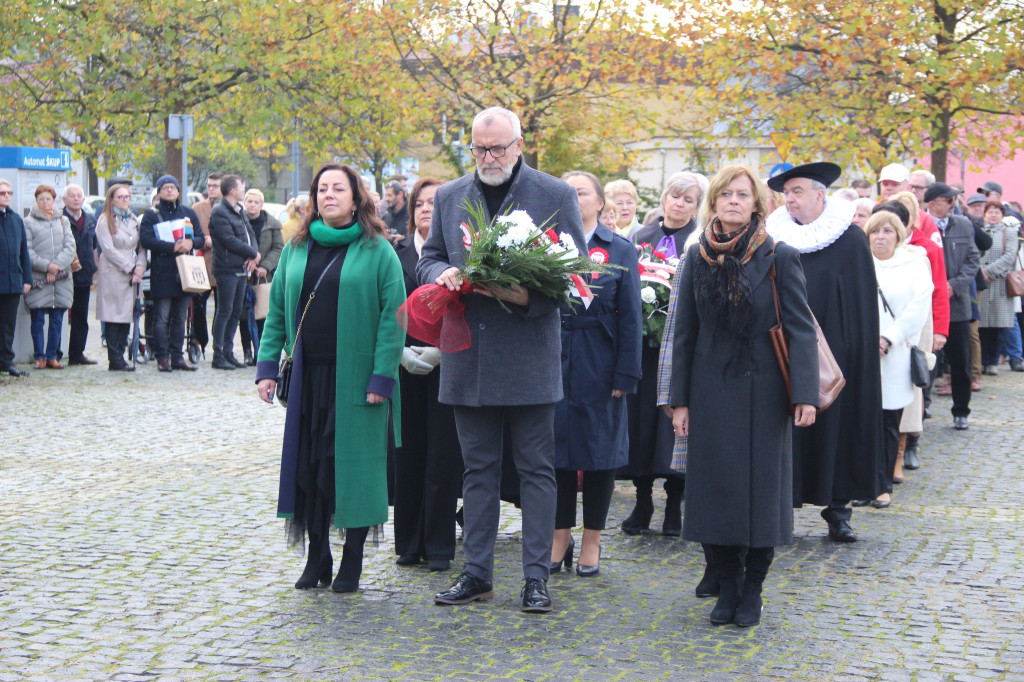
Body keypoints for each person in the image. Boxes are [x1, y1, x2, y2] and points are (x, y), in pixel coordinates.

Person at [418, 106, 587, 613]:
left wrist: (525, 296)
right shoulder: (450, 196)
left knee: (536, 470)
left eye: (497, 148)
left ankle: (536, 577)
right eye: (479, 148)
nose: (488, 157)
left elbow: (574, 274)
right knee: (477, 472)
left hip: (529, 355)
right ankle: (477, 574)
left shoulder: (554, 194)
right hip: (468, 355)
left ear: (519, 146)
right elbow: (428, 256)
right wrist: (442, 273)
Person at [670, 164, 819, 628]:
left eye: (742, 194)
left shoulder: (779, 255)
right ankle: (728, 584)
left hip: (765, 394)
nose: (733, 201)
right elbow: (684, 334)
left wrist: (805, 395)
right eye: (725, 194)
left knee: (761, 498)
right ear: (713, 202)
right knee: (714, 494)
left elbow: (800, 330)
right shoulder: (697, 256)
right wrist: (678, 401)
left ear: (757, 204)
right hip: (709, 393)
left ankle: (753, 588)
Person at [255, 163, 405, 594]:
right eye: (322, 189)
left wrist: (382, 377)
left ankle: (352, 559)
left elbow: (394, 318)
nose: (329, 195)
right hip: (308, 379)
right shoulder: (296, 248)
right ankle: (317, 556)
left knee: (354, 470)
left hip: (357, 381)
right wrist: (267, 368)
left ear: (356, 199)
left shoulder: (378, 251)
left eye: (338, 188)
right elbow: (277, 312)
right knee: (310, 468)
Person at [766, 162, 884, 544]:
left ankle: (838, 510)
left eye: (798, 191)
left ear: (820, 194)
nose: (790, 199)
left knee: (837, 428)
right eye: (787, 193)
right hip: (784, 348)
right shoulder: (773, 238)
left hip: (838, 350)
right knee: (786, 428)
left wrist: (855, 353)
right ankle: (781, 509)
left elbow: (862, 307)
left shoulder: (850, 239)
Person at [550, 171, 642, 577]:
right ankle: (559, 536)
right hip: (554, 359)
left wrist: (626, 374)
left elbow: (631, 317)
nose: (573, 198)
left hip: (600, 362)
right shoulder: (545, 246)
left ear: (601, 202)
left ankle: (592, 539)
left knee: (599, 454)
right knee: (556, 454)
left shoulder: (619, 249)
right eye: (566, 192)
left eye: (581, 192)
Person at [621, 171, 707, 537]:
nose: (680, 204)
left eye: (689, 200)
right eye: (675, 196)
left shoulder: (700, 241)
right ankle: (643, 500)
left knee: (673, 425)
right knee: (641, 424)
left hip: (679, 348)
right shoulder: (640, 237)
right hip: (643, 348)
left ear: (697, 207)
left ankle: (675, 503)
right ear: (663, 199)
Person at [392, 176, 463, 571]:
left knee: (443, 455)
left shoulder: (458, 254)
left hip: (447, 365)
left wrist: (442, 351)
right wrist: (398, 351)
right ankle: (408, 542)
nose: (425, 209)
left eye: (433, 203)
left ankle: (438, 545)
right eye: (419, 203)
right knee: (408, 453)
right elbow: (384, 307)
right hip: (404, 364)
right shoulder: (395, 253)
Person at [856, 211, 932, 508]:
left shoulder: (914, 264)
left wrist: (888, 337)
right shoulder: (860, 264)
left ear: (898, 235)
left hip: (895, 353)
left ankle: (883, 484)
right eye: (875, 231)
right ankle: (863, 483)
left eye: (887, 231)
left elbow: (917, 308)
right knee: (863, 423)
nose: (880, 237)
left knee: (889, 424)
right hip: (862, 354)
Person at [884, 192, 949, 471]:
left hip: (917, 327)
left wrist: (940, 330)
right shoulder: (873, 249)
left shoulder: (925, 249)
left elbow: (938, 291)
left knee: (914, 386)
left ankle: (907, 446)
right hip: (883, 330)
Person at [926, 182, 980, 430]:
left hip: (957, 305)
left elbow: (973, 259)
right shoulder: (922, 225)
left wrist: (954, 285)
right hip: (929, 305)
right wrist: (935, 287)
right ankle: (923, 407)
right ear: (933, 203)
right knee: (927, 361)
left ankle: (961, 411)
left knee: (961, 362)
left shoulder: (964, 224)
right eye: (949, 200)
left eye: (954, 200)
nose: (953, 204)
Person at [139, 174, 204, 372]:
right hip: (162, 271)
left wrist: (191, 243)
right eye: (165, 188)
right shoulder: (151, 214)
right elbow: (146, 240)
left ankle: (177, 356)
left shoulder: (188, 213)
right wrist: (172, 247)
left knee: (180, 317)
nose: (169, 190)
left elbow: (201, 237)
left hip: (184, 272)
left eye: (172, 187)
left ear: (178, 191)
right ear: (159, 192)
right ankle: (162, 357)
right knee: (161, 317)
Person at [209, 175, 258, 370]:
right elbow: (228, 240)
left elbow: (250, 234)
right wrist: (252, 252)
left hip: (241, 269)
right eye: (241, 187)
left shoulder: (239, 210)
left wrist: (254, 255)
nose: (243, 190)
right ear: (232, 191)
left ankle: (229, 352)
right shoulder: (219, 212)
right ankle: (218, 353)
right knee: (225, 310)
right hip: (226, 268)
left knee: (236, 311)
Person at [24, 185, 76, 369]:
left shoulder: (63, 220)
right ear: (36, 201)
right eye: (41, 199)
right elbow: (27, 251)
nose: (45, 202)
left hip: (61, 279)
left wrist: (57, 266)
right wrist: (47, 266)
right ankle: (39, 357)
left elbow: (70, 246)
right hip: (39, 279)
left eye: (48, 198)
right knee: (37, 320)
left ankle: (52, 356)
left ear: (54, 200)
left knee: (57, 321)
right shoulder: (28, 222)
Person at [95, 184, 146, 371]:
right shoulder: (105, 220)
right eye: (121, 197)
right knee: (113, 314)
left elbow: (141, 247)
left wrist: (140, 267)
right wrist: (130, 267)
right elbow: (108, 249)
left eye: (127, 197)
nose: (125, 200)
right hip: (114, 271)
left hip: (132, 272)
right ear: (112, 200)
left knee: (127, 314)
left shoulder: (133, 219)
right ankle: (114, 357)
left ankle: (121, 355)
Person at [239, 188, 284, 364]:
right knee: (243, 315)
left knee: (263, 314)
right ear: (244, 203)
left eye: (256, 202)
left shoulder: (272, 224)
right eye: (249, 201)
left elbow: (278, 248)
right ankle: (246, 351)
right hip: (243, 273)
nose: (252, 205)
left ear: (261, 205)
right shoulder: (238, 221)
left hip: (264, 276)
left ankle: (261, 351)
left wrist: (265, 265)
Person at [977, 203, 1019, 375]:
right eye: (990, 212)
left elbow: (1009, 256)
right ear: (984, 215)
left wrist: (989, 271)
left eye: (996, 212)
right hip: (981, 283)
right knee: (980, 326)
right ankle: (981, 360)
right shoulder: (980, 231)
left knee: (997, 326)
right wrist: (979, 271)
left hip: (1000, 283)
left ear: (1002, 215)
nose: (993, 215)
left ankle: (993, 361)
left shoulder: (1009, 232)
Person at [63, 184, 98, 365]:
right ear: (64, 200)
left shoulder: (90, 219)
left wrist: (92, 266)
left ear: (83, 199)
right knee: (59, 316)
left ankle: (77, 353)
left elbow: (94, 244)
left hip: (84, 272)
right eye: (72, 195)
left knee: (81, 315)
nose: (76, 198)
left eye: (79, 196)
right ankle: (54, 353)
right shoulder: (59, 218)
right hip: (64, 273)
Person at [0, 178, 33, 376]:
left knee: (8, 325)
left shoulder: (15, 219)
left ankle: (6, 361)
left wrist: (26, 278)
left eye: (9, 193)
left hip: (12, 281)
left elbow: (23, 253)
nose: (6, 196)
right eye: (2, 193)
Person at [191, 172, 223, 358]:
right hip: (201, 265)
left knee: (221, 308)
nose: (211, 189)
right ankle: (199, 339)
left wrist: (216, 241)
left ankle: (219, 344)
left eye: (215, 186)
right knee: (198, 305)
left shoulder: (230, 207)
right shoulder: (197, 208)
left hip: (222, 265)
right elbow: (190, 233)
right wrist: (203, 240)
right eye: (209, 185)